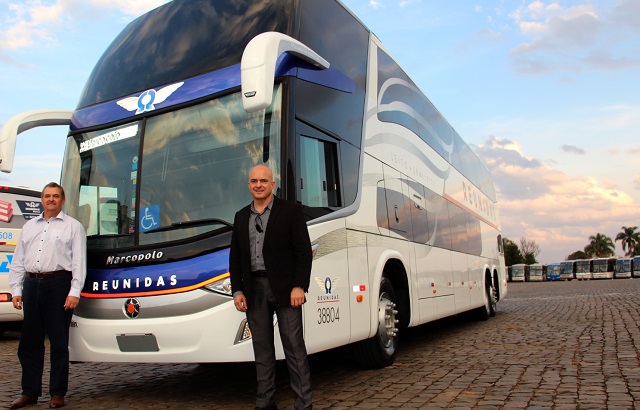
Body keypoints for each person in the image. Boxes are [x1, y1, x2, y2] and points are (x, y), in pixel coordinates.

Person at [229, 164, 313, 410]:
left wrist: (299, 286)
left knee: (294, 349)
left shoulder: (291, 211)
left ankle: (303, 405)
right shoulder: (241, 216)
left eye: (263, 181)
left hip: (286, 291)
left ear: (272, 184)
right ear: (248, 185)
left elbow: (303, 252)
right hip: (254, 291)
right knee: (262, 351)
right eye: (254, 181)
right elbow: (235, 257)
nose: (258, 185)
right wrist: (237, 290)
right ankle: (265, 402)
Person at [8, 182, 87, 409]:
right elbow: (18, 260)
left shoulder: (73, 227)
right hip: (32, 285)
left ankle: (57, 393)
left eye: (55, 196)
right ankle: (29, 392)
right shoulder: (29, 227)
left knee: (59, 343)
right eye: (46, 196)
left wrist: (74, 292)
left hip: (59, 285)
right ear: (41, 200)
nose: (50, 199)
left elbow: (79, 262)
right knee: (29, 343)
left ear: (62, 200)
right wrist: (16, 289)